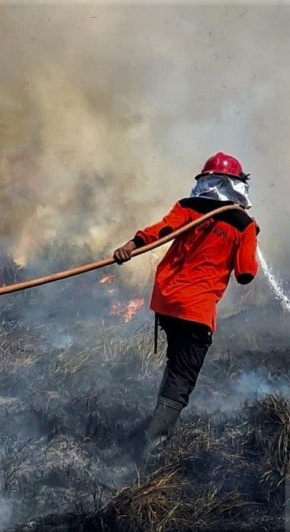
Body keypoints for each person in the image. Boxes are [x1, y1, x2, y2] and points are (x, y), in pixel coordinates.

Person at [113, 152, 259, 459]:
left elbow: (160, 230)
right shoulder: (243, 224)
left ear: (205, 181)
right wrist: (249, 237)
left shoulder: (188, 207)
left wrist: (130, 246)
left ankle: (156, 422)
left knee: (175, 363)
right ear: (238, 186)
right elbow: (246, 273)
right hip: (196, 311)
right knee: (182, 373)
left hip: (166, 302)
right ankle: (154, 446)